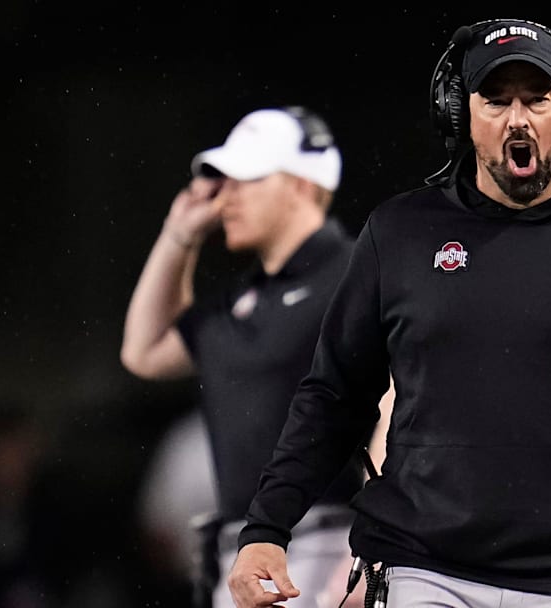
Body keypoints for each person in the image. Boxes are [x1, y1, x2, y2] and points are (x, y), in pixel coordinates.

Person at [226, 18, 551, 608]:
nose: (517, 118)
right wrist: (268, 528)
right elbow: (334, 396)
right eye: (495, 100)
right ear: (462, 115)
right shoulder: (399, 234)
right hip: (422, 567)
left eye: (537, 98)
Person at [120, 106, 370, 608]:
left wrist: (373, 547)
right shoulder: (243, 297)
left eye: (246, 179)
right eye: (224, 181)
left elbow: (395, 409)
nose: (226, 196)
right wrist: (179, 234)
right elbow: (143, 354)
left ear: (301, 184)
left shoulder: (357, 272)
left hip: (328, 543)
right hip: (242, 552)